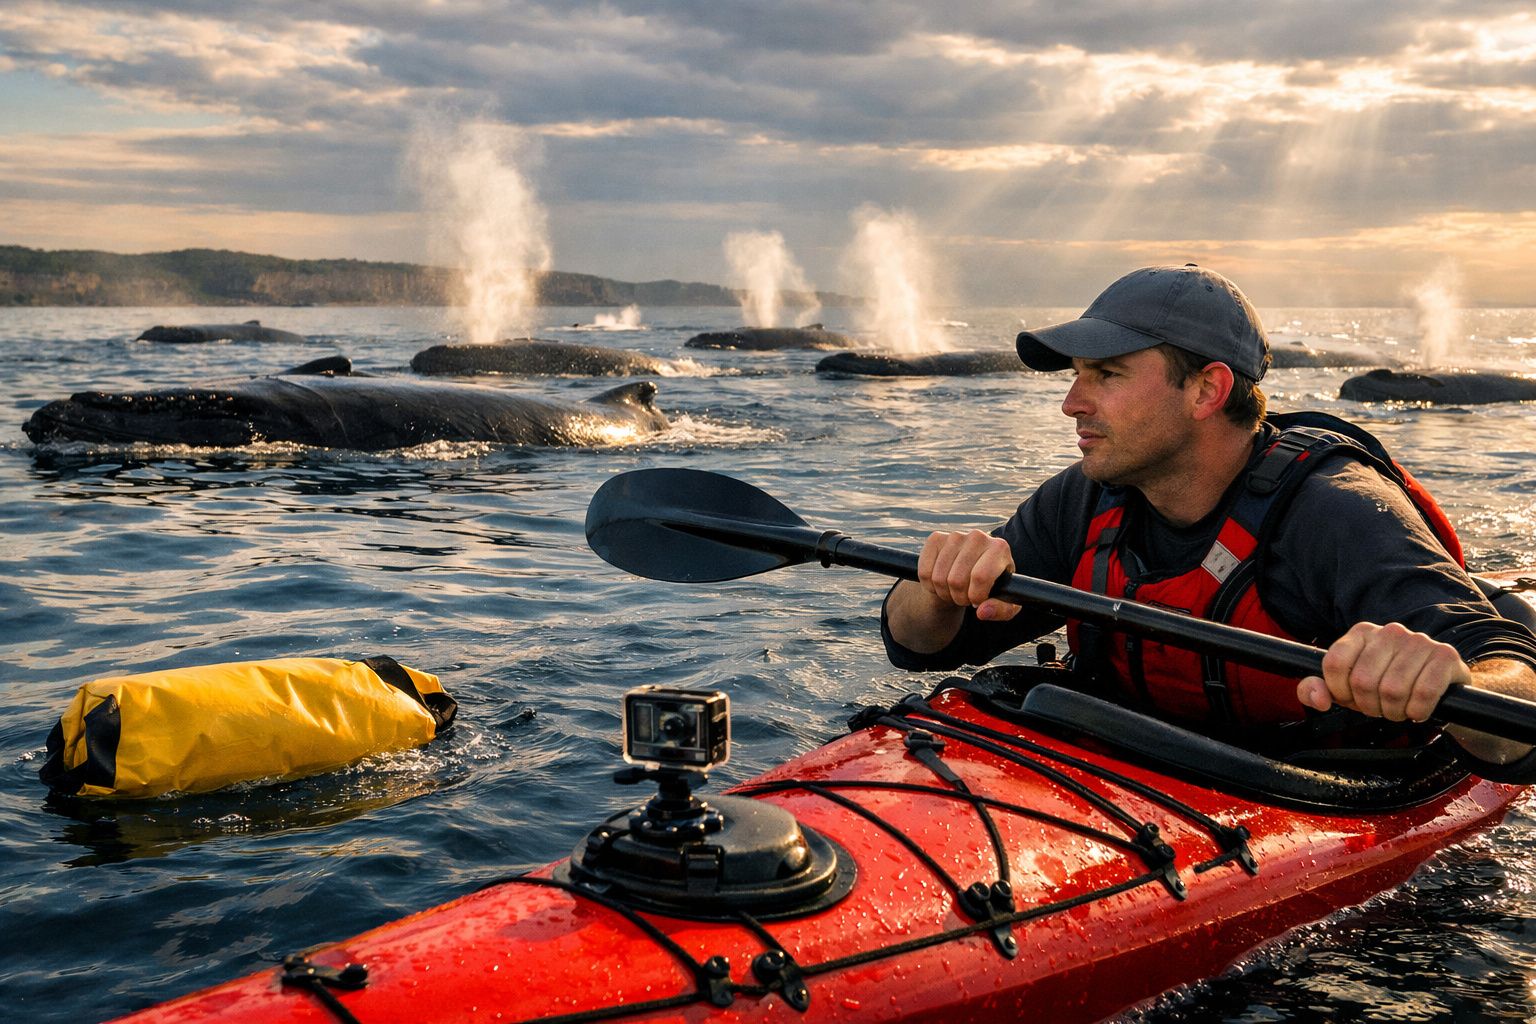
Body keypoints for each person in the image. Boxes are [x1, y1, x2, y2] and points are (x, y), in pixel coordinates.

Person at [883, 264, 1536, 775]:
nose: (1071, 404)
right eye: (1076, 376)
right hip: (1133, 773)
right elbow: (915, 646)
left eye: (1105, 375)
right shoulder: (1084, 499)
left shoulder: (1335, 512)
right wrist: (934, 586)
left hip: (1311, 790)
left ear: (1207, 390)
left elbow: (1516, 683)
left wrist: (1446, 679)